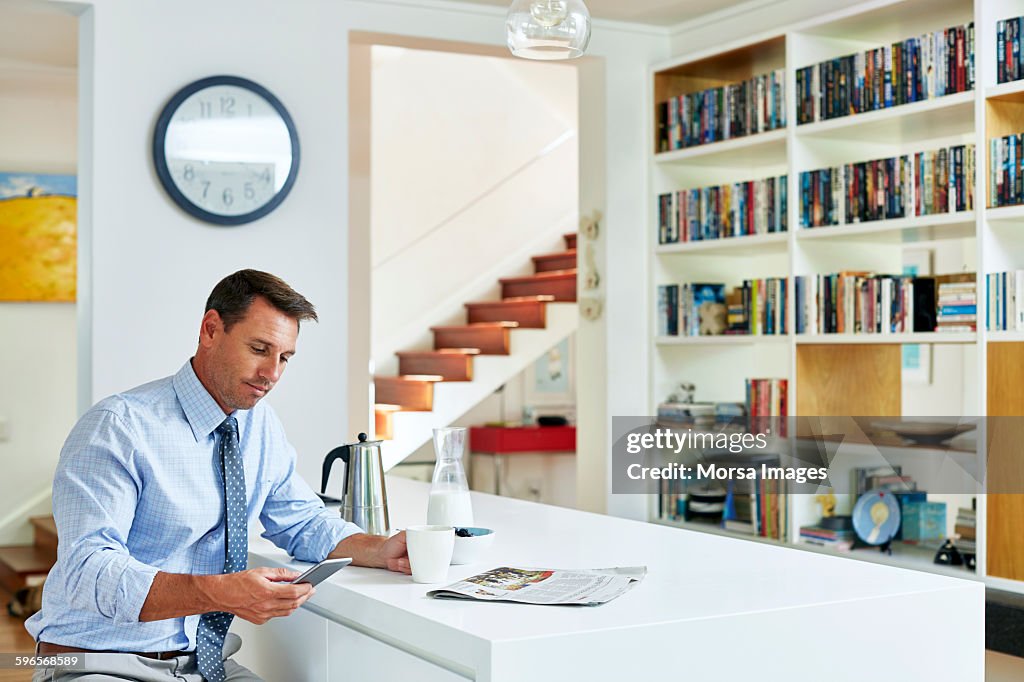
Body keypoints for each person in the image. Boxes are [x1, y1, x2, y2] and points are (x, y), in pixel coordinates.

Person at [26, 269, 410, 681]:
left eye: (284, 357)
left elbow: (301, 521)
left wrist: (379, 549)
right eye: (259, 349)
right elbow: (90, 571)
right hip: (99, 662)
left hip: (204, 665)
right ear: (210, 330)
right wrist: (221, 592)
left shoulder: (260, 425)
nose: (272, 373)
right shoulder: (118, 427)